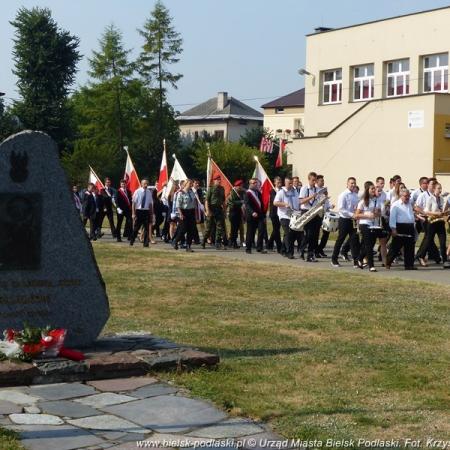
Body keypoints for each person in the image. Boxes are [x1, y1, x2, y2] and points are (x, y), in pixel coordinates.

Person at [416, 182, 448, 267]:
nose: (440, 190)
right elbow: (426, 211)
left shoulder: (441, 198)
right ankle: (420, 256)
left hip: (440, 221)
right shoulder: (430, 198)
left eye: (441, 188)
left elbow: (442, 208)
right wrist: (436, 213)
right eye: (438, 188)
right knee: (428, 240)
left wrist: (444, 213)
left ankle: (445, 260)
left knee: (443, 242)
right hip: (432, 222)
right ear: (434, 189)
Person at [331, 177, 360, 267]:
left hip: (353, 221)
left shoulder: (355, 195)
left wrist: (357, 212)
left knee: (354, 240)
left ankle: (356, 260)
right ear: (347, 184)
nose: (353, 185)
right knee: (340, 239)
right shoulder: (343, 195)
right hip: (344, 220)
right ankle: (334, 259)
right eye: (351, 183)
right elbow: (341, 209)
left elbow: (357, 207)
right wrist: (352, 214)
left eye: (354, 183)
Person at [386, 188, 417, 270]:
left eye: (408, 196)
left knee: (410, 247)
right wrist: (393, 229)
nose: (407, 198)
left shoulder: (409, 203)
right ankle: (388, 262)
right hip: (400, 227)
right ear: (401, 195)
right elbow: (392, 218)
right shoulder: (396, 204)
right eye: (406, 196)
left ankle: (409, 265)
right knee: (396, 246)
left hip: (409, 227)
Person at [354, 182, 380, 272]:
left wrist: (377, 213)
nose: (374, 190)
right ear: (367, 190)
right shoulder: (362, 202)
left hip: (373, 225)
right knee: (369, 245)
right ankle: (371, 266)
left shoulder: (375, 201)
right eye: (372, 189)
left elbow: (378, 214)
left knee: (370, 244)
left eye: (374, 189)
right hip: (364, 224)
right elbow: (356, 215)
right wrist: (367, 215)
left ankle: (359, 258)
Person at [273, 177, 300, 259]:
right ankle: (289, 252)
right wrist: (284, 204)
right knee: (289, 234)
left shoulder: (295, 191)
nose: (291, 185)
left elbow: (298, 201)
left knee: (288, 234)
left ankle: (282, 249)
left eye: (292, 183)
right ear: (285, 183)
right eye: (289, 183)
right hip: (284, 216)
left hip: (293, 215)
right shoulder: (281, 192)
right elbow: (275, 202)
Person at [415, 177, 440, 263]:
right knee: (428, 237)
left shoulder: (436, 196)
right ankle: (435, 256)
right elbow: (416, 207)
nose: (433, 186)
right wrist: (425, 213)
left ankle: (423, 255)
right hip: (425, 219)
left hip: (435, 218)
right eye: (432, 184)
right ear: (428, 185)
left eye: (435, 184)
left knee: (429, 238)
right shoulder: (423, 195)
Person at [299, 172, 322, 262]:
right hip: (306, 211)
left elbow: (318, 200)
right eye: (313, 180)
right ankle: (302, 249)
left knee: (315, 235)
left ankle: (310, 254)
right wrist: (311, 197)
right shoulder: (304, 188)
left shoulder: (317, 189)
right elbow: (301, 201)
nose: (314, 182)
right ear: (309, 179)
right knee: (309, 234)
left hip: (315, 212)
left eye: (315, 180)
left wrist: (323, 200)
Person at [203, 175, 227, 250]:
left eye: (219, 180)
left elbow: (223, 201)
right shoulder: (211, 189)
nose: (219, 181)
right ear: (214, 181)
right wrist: (207, 210)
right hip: (211, 208)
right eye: (217, 180)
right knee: (209, 228)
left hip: (219, 209)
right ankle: (204, 241)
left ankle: (217, 242)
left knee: (219, 227)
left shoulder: (222, 189)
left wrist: (225, 210)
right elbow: (206, 201)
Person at [173, 179, 197, 252]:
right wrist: (180, 214)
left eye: (191, 184)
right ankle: (176, 241)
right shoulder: (181, 193)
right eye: (190, 184)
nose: (191, 185)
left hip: (191, 212)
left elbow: (194, 203)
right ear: (186, 184)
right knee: (183, 229)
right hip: (184, 212)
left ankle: (188, 246)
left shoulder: (192, 192)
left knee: (191, 230)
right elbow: (178, 205)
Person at [244, 178, 266, 254]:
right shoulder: (248, 193)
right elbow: (247, 205)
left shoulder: (258, 193)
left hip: (260, 215)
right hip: (251, 216)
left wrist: (264, 215)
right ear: (250, 184)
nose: (255, 184)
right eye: (253, 183)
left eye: (256, 183)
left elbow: (261, 204)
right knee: (250, 232)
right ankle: (248, 248)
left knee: (261, 230)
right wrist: (252, 212)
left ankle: (259, 247)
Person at [130, 179, 153, 247]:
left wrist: (151, 214)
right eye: (144, 184)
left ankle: (146, 243)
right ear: (141, 184)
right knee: (136, 227)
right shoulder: (137, 191)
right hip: (139, 211)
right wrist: (133, 213)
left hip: (146, 211)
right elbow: (134, 203)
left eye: (147, 184)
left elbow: (150, 204)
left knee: (146, 228)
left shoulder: (149, 192)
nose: (146, 185)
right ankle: (132, 240)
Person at [315, 174, 332, 258]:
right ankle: (315, 250)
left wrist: (330, 206)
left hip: (325, 214)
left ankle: (320, 248)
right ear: (317, 181)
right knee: (316, 233)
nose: (323, 182)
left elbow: (326, 202)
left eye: (323, 180)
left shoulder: (324, 190)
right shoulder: (315, 190)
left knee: (326, 232)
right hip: (317, 214)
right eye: (321, 180)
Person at [227, 180, 245, 249]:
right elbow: (233, 203)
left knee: (236, 228)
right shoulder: (232, 193)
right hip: (233, 213)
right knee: (234, 229)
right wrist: (241, 202)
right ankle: (233, 242)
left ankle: (232, 242)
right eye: (240, 186)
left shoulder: (240, 192)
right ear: (237, 186)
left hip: (238, 212)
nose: (241, 187)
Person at [268, 176, 283, 253]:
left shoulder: (283, 190)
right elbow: (275, 202)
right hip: (274, 213)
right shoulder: (272, 191)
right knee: (277, 230)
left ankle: (269, 244)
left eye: (280, 181)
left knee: (276, 229)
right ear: (274, 183)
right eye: (278, 182)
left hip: (281, 213)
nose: (279, 183)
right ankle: (279, 247)